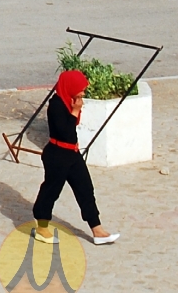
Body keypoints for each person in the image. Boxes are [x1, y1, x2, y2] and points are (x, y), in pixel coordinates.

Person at [32, 70, 120, 245]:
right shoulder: (56, 106)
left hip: (72, 154)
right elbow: (66, 132)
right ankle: (41, 228)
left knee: (85, 189)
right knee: (51, 190)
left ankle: (97, 230)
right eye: (81, 89)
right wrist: (75, 111)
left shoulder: (69, 101)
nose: (84, 93)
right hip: (57, 155)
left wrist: (75, 109)